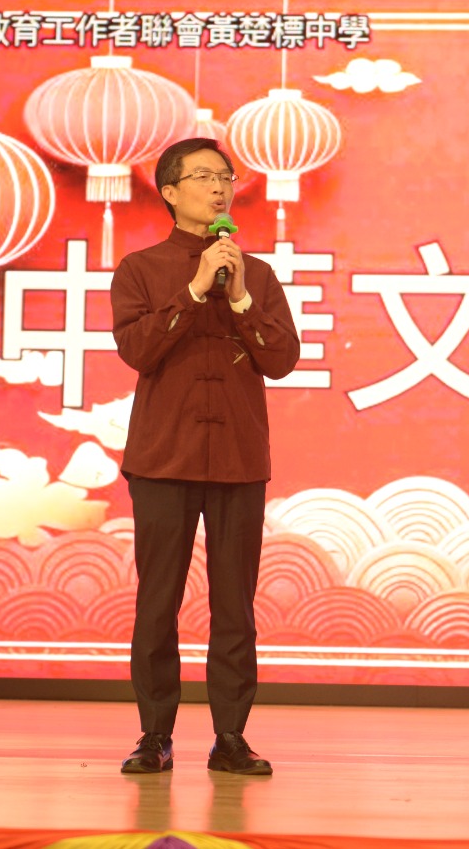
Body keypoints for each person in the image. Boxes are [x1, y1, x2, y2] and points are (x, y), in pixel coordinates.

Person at [109, 137, 301, 776]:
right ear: (169, 191)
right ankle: (154, 735)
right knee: (157, 602)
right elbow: (139, 351)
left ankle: (231, 737)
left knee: (235, 606)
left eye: (225, 177)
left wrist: (239, 296)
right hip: (163, 457)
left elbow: (282, 359)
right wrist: (194, 290)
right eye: (202, 177)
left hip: (238, 459)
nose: (219, 188)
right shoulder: (140, 269)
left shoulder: (258, 274)